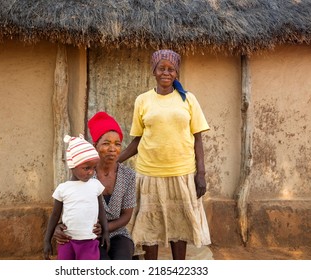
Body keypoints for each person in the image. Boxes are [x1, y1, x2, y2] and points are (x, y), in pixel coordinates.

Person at [118, 49, 211, 260]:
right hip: (149, 174)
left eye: (171, 69)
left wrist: (201, 173)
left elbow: (198, 138)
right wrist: (115, 160)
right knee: (151, 228)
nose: (166, 73)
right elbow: (138, 140)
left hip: (182, 173)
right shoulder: (142, 100)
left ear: (177, 73)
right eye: (162, 68)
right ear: (154, 71)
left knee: (180, 227)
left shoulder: (188, 99)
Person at [53, 112, 136, 260]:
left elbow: (126, 216)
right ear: (95, 146)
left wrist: (105, 228)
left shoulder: (128, 175)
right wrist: (59, 227)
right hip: (87, 235)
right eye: (106, 143)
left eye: (117, 144)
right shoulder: (83, 174)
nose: (112, 149)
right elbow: (68, 209)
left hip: (117, 233)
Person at [43, 134, 110, 260]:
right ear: (72, 166)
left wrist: (106, 232)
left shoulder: (96, 185)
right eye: (86, 168)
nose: (91, 172)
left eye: (93, 168)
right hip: (66, 241)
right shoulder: (63, 189)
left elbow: (101, 210)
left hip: (89, 241)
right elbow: (55, 214)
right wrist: (47, 239)